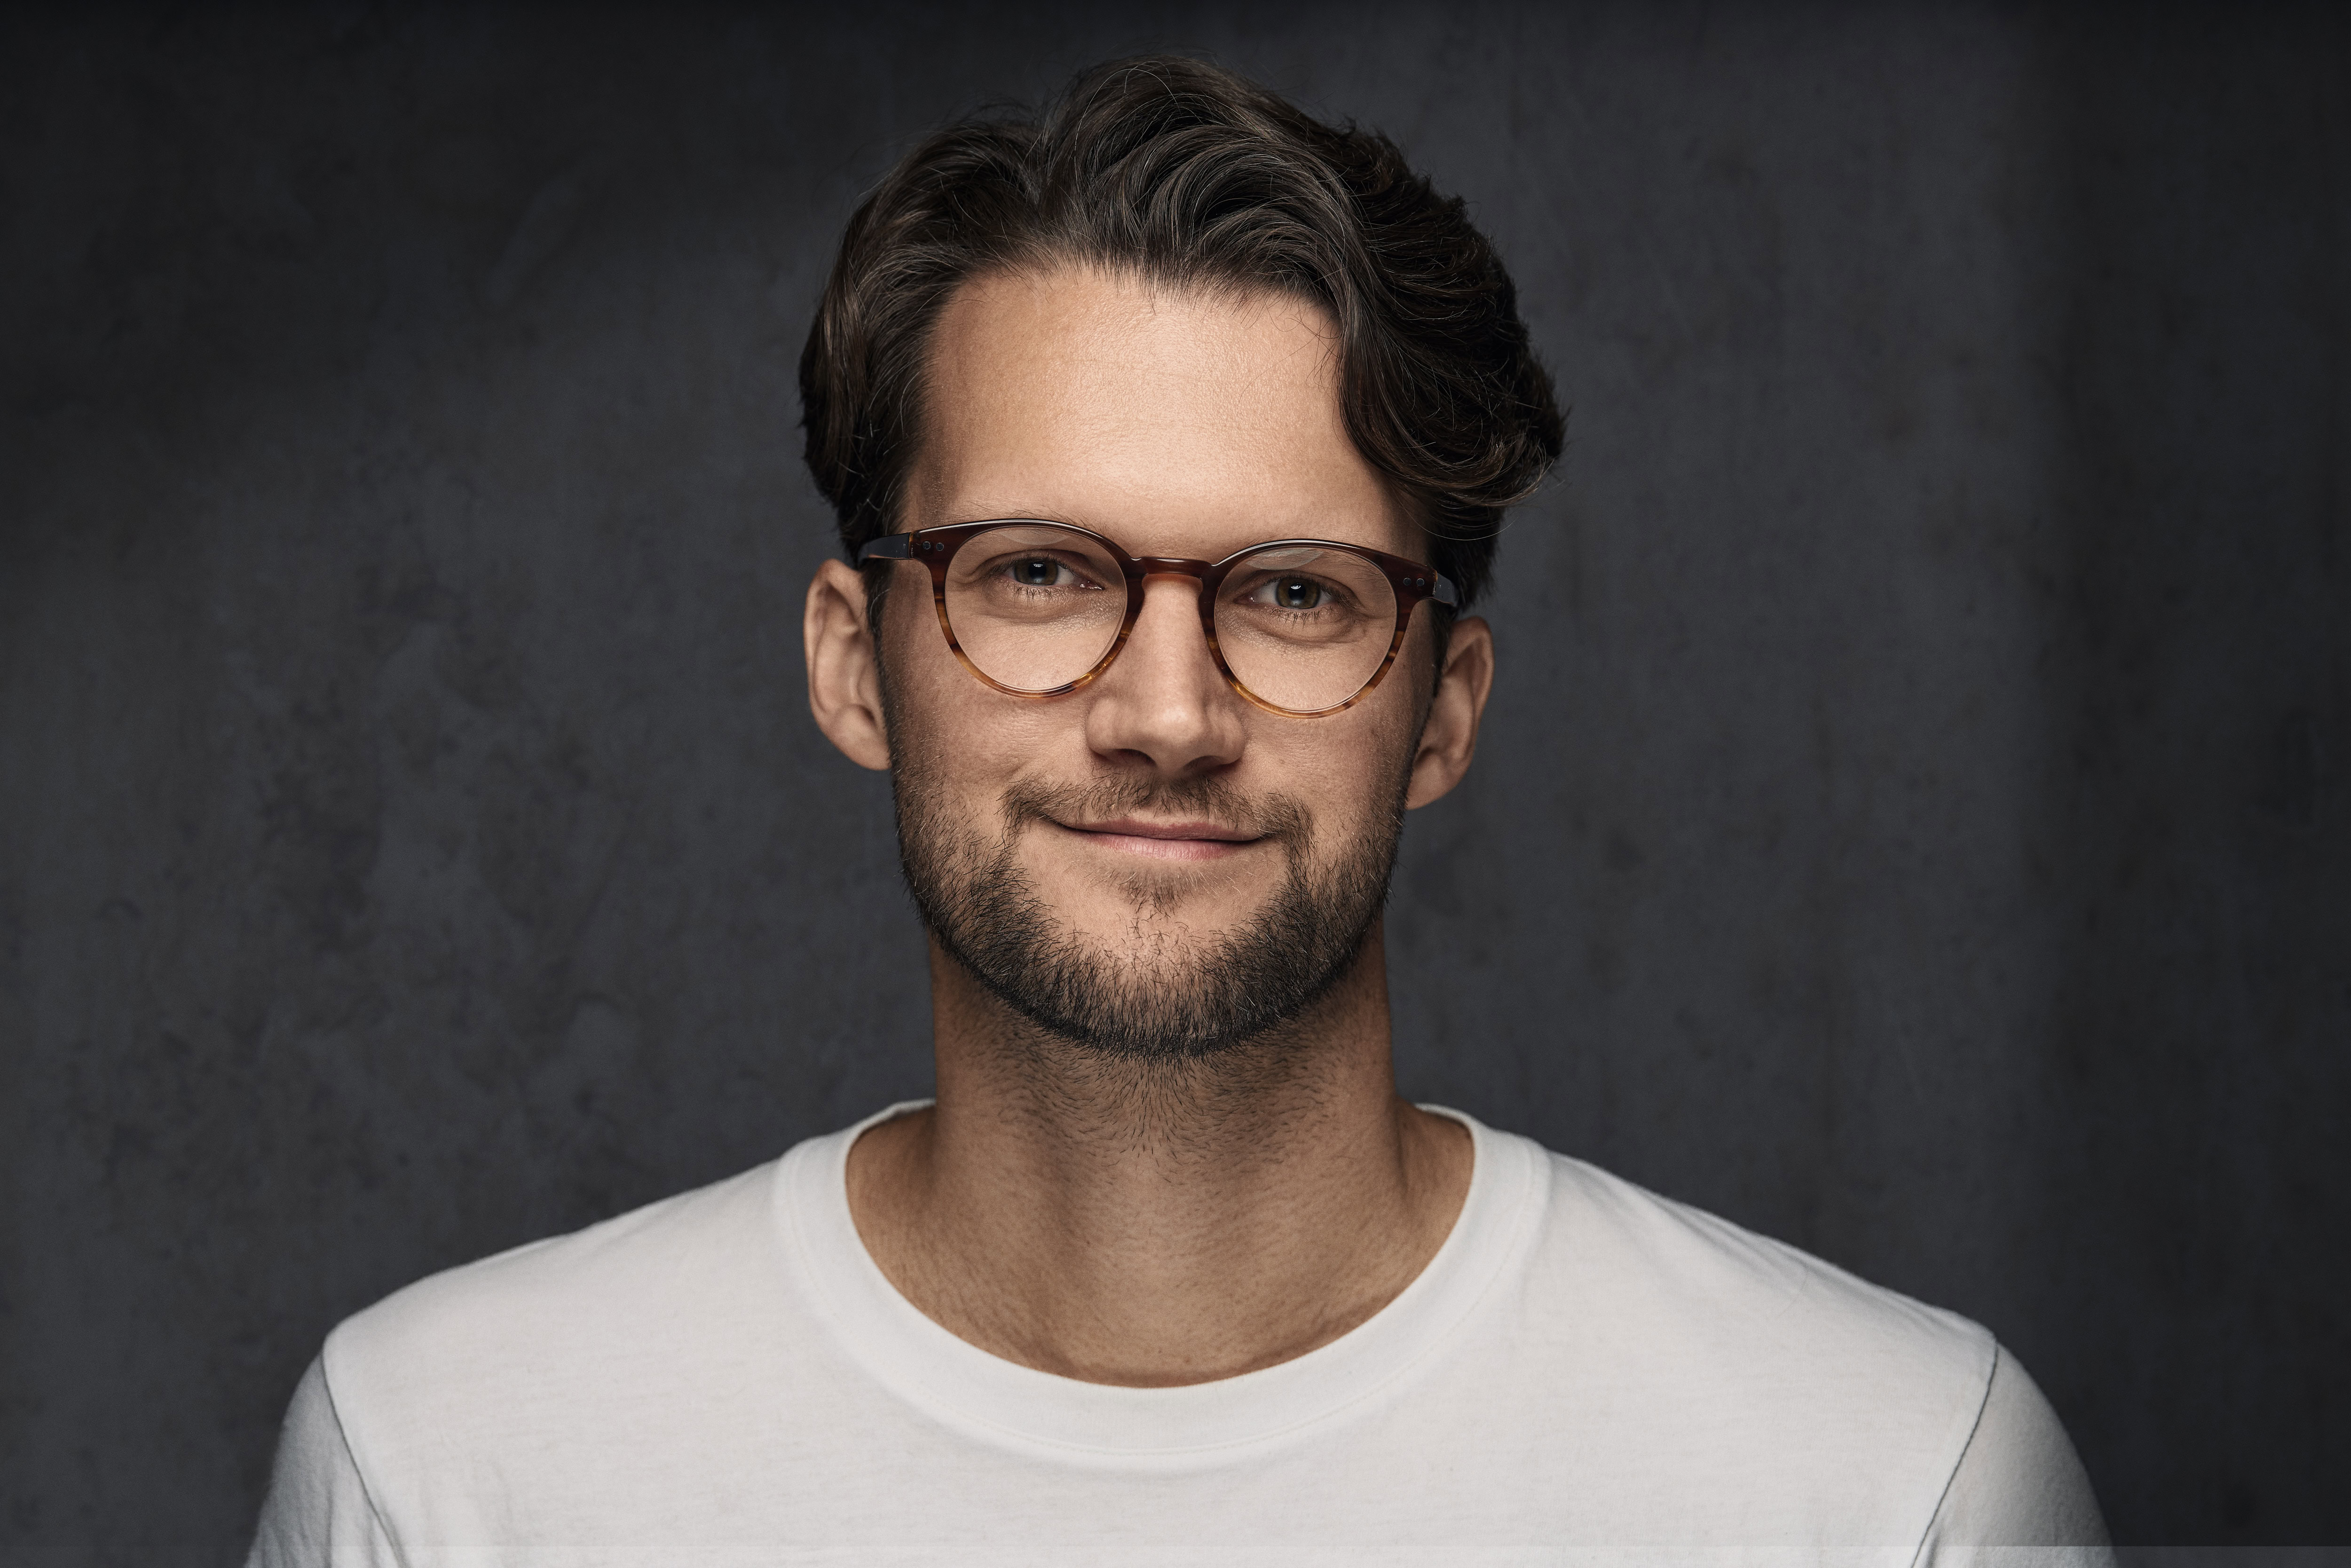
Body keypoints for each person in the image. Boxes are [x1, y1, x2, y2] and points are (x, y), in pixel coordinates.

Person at [247, 55, 2107, 1565]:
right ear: (849, 663)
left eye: (1293, 591)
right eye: (1040, 572)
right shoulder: (450, 1466)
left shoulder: (1883, 1484)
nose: (1163, 715)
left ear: (1441, 706)